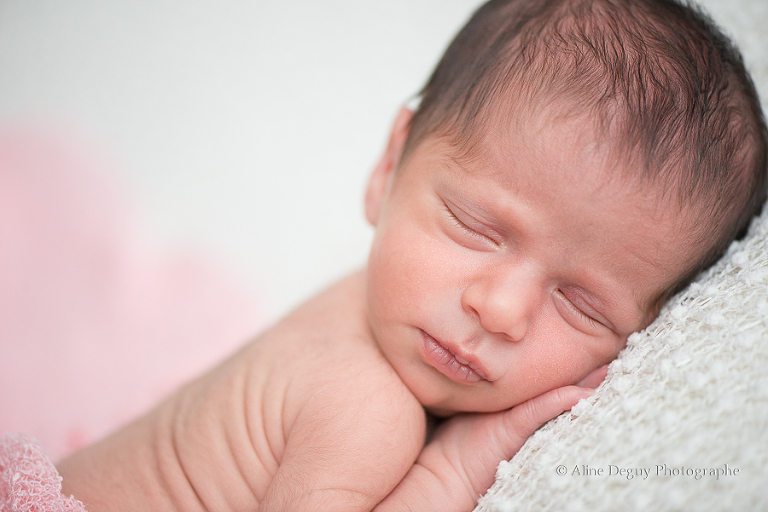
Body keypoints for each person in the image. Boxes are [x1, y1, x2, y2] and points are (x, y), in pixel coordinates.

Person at [56, 0, 767, 510]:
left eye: (581, 304)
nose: (499, 310)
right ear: (388, 166)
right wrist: (455, 472)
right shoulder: (371, 412)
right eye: (475, 225)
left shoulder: (370, 300)